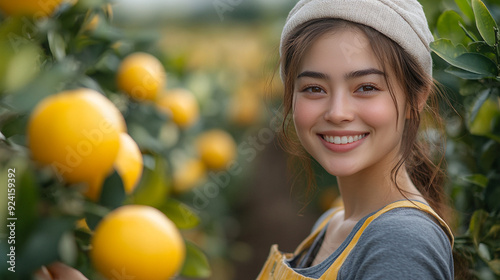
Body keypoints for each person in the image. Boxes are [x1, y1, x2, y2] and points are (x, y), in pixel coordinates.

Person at [256, 0, 455, 279]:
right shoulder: (330, 225)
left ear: (416, 98)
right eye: (314, 88)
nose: (337, 113)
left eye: (366, 87)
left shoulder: (401, 241)